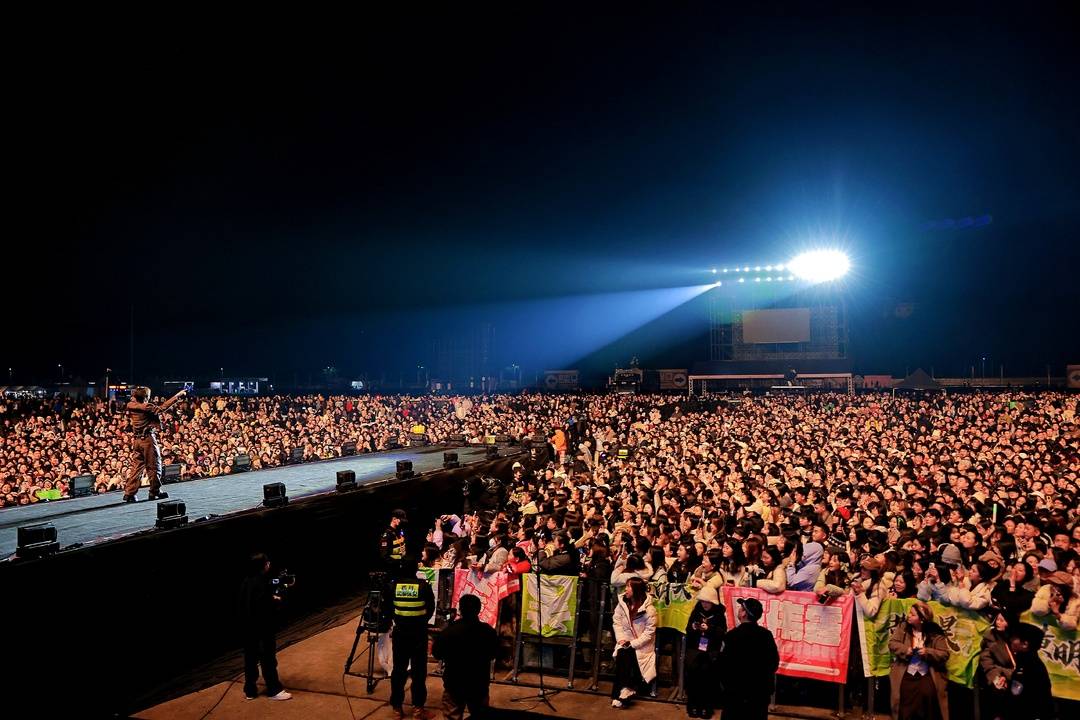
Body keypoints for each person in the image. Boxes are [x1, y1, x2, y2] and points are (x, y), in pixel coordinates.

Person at [432, 594, 499, 720]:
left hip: (454, 685)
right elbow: (494, 654)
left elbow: (437, 653)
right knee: (481, 716)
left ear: (460, 610)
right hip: (479, 685)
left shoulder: (449, 631)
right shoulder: (488, 631)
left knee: (452, 717)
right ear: (479, 610)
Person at [238, 553, 292, 701]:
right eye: (267, 563)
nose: (269, 564)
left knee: (250, 658)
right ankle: (274, 690)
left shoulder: (246, 581)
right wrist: (278, 598)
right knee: (268, 658)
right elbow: (265, 606)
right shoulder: (261, 583)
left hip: (248, 627)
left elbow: (247, 603)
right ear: (263, 565)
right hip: (263, 628)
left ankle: (250, 690)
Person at [389, 557, 436, 720]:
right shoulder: (423, 586)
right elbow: (430, 609)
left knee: (398, 671)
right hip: (418, 634)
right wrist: (420, 621)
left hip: (400, 633)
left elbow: (389, 609)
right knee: (419, 672)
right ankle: (418, 709)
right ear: (416, 569)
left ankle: (397, 709)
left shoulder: (393, 586)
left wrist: (400, 620)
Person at [888, 601, 950, 720]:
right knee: (904, 693)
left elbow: (944, 653)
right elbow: (892, 643)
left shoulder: (935, 632)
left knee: (928, 693)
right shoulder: (903, 628)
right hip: (906, 671)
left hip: (926, 673)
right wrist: (906, 650)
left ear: (922, 619)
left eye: (913, 614)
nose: (909, 616)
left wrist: (928, 652)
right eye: (909, 613)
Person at [721, 597, 778, 720]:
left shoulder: (732, 636)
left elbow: (724, 665)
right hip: (759, 694)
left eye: (741, 608)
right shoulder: (766, 635)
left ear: (744, 614)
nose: (739, 610)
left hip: (735, 694)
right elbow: (773, 663)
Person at [123, 387, 184, 502]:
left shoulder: (130, 405)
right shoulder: (146, 407)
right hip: (147, 440)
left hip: (137, 441)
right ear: (146, 397)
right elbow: (162, 408)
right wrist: (177, 396)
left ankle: (129, 493)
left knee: (136, 467)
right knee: (154, 466)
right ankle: (154, 491)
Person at [611, 576, 656, 709]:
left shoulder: (649, 610)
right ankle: (624, 690)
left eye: (628, 587)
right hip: (625, 641)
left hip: (642, 645)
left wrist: (633, 643)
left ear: (636, 590)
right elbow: (617, 622)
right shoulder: (622, 604)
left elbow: (649, 633)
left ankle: (620, 693)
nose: (625, 589)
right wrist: (621, 639)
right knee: (622, 654)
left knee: (628, 655)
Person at [683, 585, 727, 718]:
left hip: (711, 651)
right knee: (693, 677)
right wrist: (694, 627)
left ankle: (706, 707)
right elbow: (688, 629)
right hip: (695, 649)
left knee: (708, 678)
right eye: (702, 601)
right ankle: (693, 705)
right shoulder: (696, 612)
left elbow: (722, 633)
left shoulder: (719, 615)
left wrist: (709, 629)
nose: (705, 604)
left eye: (707, 602)